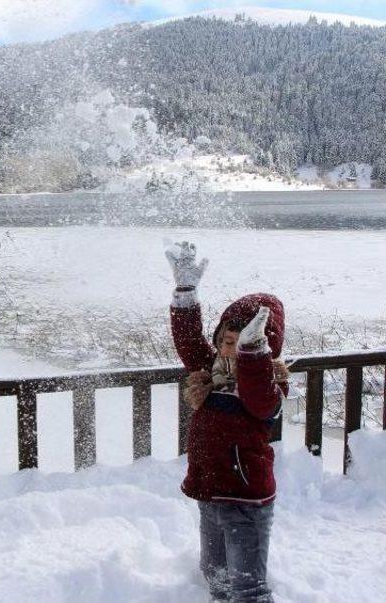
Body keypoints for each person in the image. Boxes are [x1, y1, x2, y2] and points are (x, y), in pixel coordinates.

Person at [165, 241, 288, 603]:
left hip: (246, 502)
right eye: (225, 339)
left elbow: (260, 401)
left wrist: (254, 354)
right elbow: (189, 343)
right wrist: (185, 292)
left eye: (240, 342)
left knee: (248, 589)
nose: (228, 347)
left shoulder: (269, 381)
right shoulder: (213, 372)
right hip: (211, 494)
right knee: (215, 579)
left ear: (262, 345)